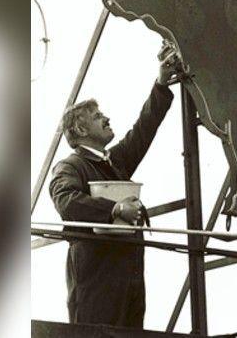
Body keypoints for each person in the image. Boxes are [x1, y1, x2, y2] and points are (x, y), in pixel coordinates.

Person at [49, 43, 184, 328]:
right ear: (82, 130)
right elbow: (66, 200)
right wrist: (115, 208)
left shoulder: (115, 163)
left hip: (130, 281)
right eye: (98, 117)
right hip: (97, 285)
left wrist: (161, 83)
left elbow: (143, 130)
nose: (107, 118)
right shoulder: (71, 166)